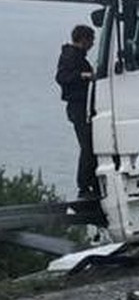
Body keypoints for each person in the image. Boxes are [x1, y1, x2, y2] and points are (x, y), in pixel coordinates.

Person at [55, 23, 97, 197]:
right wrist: (83, 76)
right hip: (78, 106)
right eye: (91, 40)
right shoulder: (71, 56)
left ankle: (91, 182)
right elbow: (61, 77)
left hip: (82, 106)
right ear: (83, 39)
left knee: (91, 144)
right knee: (87, 145)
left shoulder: (77, 57)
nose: (92, 44)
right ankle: (84, 185)